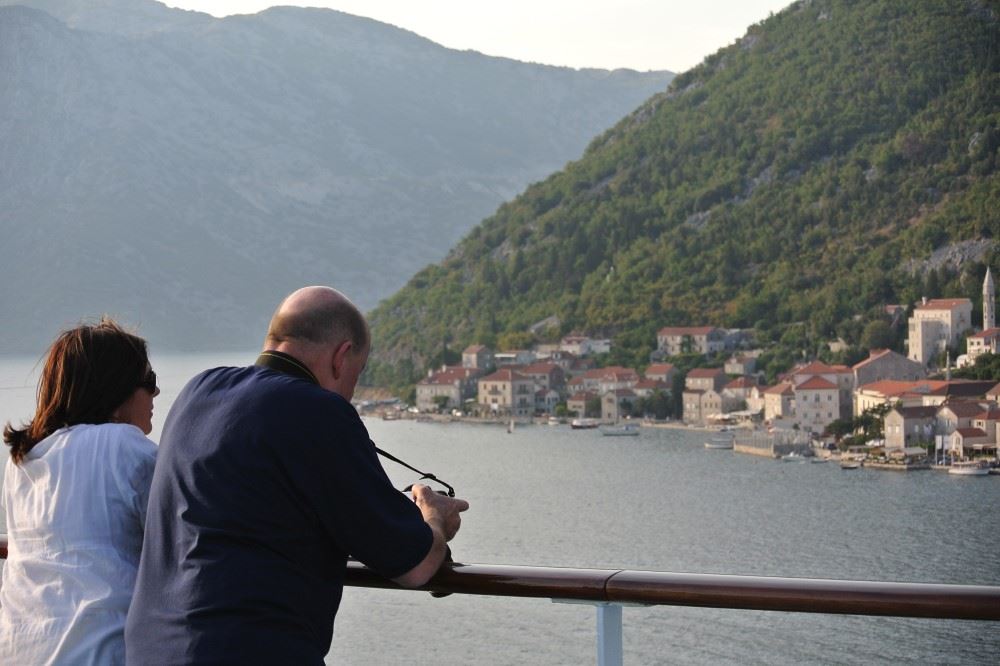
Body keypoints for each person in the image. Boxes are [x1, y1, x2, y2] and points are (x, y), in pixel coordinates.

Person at [125, 286, 469, 665]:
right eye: (357, 375)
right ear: (342, 357)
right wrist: (434, 517)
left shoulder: (198, 391)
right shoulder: (318, 411)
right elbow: (415, 565)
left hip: (150, 651)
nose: (351, 393)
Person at [0, 319, 159, 665]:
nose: (155, 394)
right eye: (149, 381)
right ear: (116, 389)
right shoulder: (124, 447)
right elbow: (183, 535)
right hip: (103, 653)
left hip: (20, 651)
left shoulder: (22, 462)